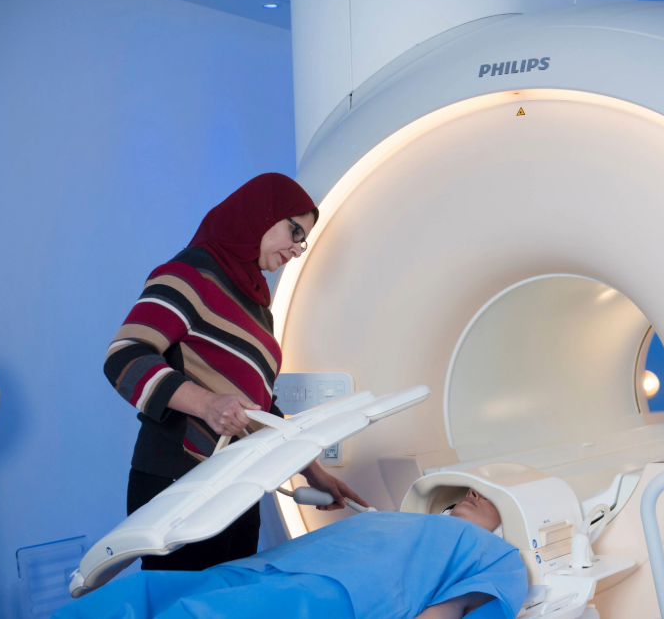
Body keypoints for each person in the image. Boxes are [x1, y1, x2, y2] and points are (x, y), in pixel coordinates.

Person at [103, 172, 367, 571]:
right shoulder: (189, 274)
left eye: (302, 240)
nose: (297, 249)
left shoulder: (258, 306)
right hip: (181, 477)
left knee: (233, 601)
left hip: (238, 482)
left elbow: (261, 407)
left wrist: (311, 471)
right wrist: (207, 404)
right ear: (260, 215)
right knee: (188, 606)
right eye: (294, 231)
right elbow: (124, 356)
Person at [55, 489, 527, 619]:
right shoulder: (397, 515)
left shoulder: (495, 555)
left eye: (488, 496)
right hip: (269, 567)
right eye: (469, 488)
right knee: (148, 588)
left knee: (203, 613)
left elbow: (447, 611)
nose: (472, 492)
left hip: (333, 595)